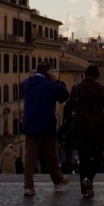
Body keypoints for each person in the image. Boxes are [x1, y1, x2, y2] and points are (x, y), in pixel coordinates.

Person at [20, 61, 70, 196]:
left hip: (30, 124)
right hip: (46, 124)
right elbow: (64, 95)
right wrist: (57, 81)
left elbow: (22, 86)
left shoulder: (27, 82)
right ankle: (57, 180)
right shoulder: (49, 85)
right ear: (48, 71)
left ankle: (28, 186)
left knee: (30, 157)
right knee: (51, 155)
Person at [65, 64, 104, 198]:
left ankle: (86, 188)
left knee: (84, 158)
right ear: (97, 76)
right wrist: (102, 119)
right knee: (98, 156)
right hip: (96, 129)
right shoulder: (101, 89)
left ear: (85, 75)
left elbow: (70, 107)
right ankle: (89, 179)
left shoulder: (76, 88)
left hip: (80, 128)